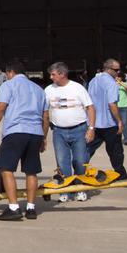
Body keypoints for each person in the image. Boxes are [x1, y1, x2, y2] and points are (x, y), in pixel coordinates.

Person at [0, 60, 48, 221]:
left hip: (15, 131)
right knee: (31, 171)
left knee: (6, 168)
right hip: (35, 133)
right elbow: (45, 116)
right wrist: (43, 137)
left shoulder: (9, 85)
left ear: (10, 73)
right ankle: (31, 208)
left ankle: (13, 208)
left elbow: (1, 106)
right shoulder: (39, 89)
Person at [42, 61, 95, 202]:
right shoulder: (48, 90)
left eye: (53, 74)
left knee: (80, 161)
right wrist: (43, 136)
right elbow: (44, 113)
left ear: (62, 74)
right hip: (58, 131)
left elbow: (90, 108)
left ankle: (80, 189)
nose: (51, 77)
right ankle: (65, 190)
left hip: (79, 130)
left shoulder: (77, 88)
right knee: (62, 162)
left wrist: (91, 128)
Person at [85, 58, 127, 183]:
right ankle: (121, 176)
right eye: (116, 70)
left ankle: (79, 173)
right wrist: (119, 121)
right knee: (116, 152)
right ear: (108, 69)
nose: (118, 72)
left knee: (87, 151)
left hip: (94, 123)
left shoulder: (94, 80)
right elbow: (112, 104)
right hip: (109, 124)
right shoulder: (111, 83)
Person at [116, 67, 127, 145]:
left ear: (121, 77)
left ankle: (126, 139)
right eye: (116, 76)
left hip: (124, 106)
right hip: (115, 107)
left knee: (124, 123)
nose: (117, 78)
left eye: (119, 76)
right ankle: (117, 139)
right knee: (116, 124)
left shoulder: (125, 84)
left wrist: (120, 83)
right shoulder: (113, 84)